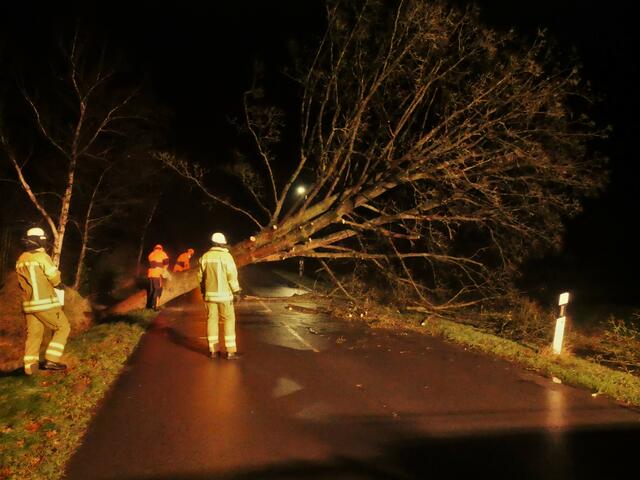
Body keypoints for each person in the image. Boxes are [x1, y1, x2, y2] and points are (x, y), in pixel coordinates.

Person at [15, 227, 70, 375]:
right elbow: (53, 277)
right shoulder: (41, 257)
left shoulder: (21, 259)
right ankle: (51, 360)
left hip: (29, 305)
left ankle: (30, 367)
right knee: (63, 327)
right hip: (44, 303)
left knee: (34, 334)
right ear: (39, 240)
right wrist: (58, 283)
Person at [198, 232, 242, 359]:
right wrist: (236, 291)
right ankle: (230, 352)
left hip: (210, 296)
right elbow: (232, 276)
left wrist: (203, 291)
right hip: (225, 297)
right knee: (229, 320)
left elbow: (200, 276)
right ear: (221, 243)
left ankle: (213, 351)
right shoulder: (227, 257)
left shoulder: (205, 257)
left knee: (211, 321)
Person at [147, 244, 169, 310]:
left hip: (150, 274)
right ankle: (154, 306)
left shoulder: (150, 254)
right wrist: (165, 270)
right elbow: (166, 262)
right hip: (157, 274)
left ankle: (149, 305)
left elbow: (153, 263)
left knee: (151, 290)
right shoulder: (162, 253)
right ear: (161, 248)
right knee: (157, 289)